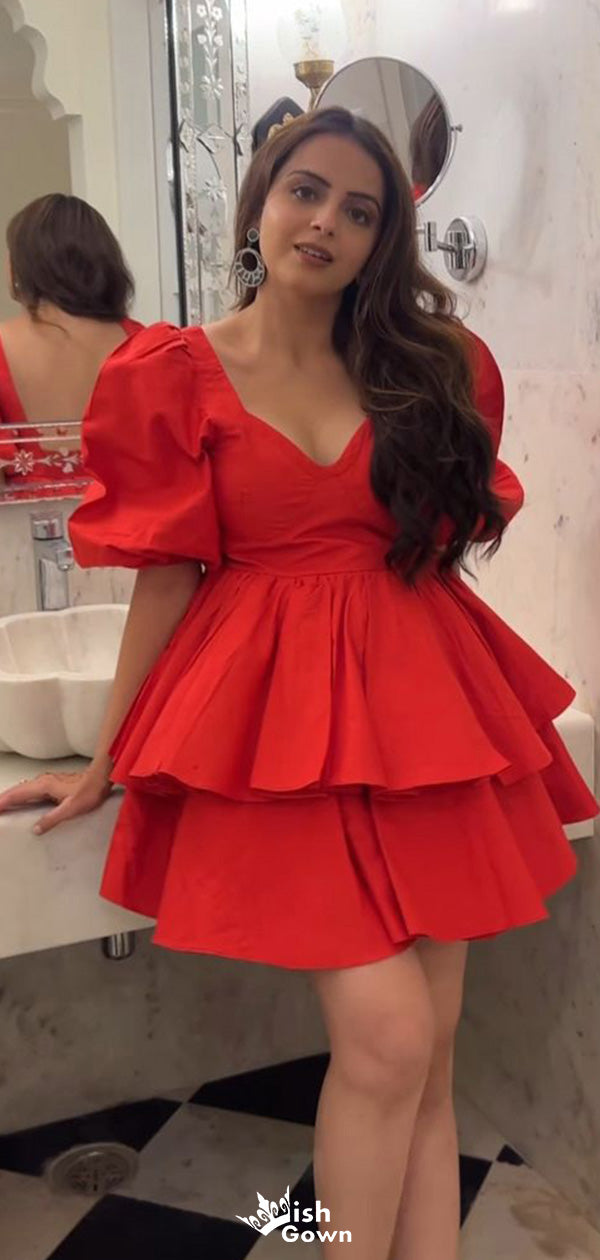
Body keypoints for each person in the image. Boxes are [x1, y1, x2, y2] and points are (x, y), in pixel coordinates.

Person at [0, 107, 597, 1260]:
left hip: (422, 703)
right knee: (388, 1038)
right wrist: (103, 759)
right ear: (260, 202)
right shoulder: (175, 372)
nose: (325, 222)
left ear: (382, 241)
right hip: (272, 715)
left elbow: (437, 541)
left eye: (359, 211)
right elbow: (168, 578)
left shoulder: (430, 368)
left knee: (430, 1052)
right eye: (306, 191)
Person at [0, 193, 143, 499]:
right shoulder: (149, 345)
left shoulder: (3, 346)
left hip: (30, 527)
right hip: (133, 524)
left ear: (19, 268)